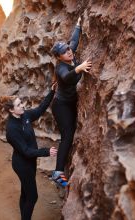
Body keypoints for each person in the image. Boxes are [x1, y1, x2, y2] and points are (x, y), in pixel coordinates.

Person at [0, 84, 57, 220]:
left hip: (29, 163)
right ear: (12, 110)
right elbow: (25, 151)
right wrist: (46, 151)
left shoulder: (24, 116)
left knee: (26, 193)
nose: (23, 105)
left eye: (21, 103)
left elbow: (40, 109)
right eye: (19, 105)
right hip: (22, 165)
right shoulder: (11, 130)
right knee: (32, 196)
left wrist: (52, 92)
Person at [51, 17, 92, 187]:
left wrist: (78, 24)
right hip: (61, 106)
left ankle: (63, 167)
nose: (69, 51)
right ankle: (58, 172)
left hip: (69, 102)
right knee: (67, 136)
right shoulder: (61, 68)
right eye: (65, 51)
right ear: (59, 57)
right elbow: (67, 77)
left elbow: (74, 40)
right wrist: (78, 68)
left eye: (68, 49)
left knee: (71, 132)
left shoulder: (70, 53)